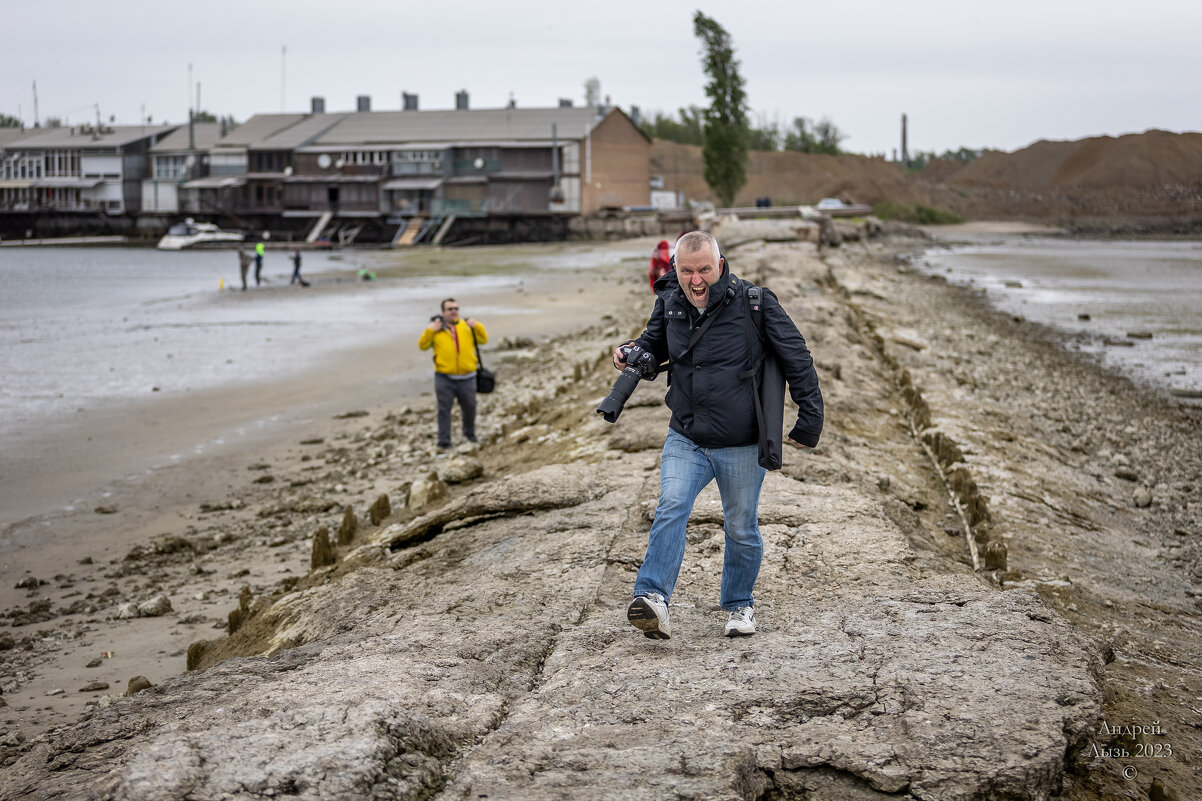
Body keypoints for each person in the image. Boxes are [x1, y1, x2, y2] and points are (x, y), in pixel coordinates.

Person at [612, 230, 823, 640]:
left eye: (704, 269)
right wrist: (630, 350)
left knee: (741, 526)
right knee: (671, 505)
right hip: (686, 435)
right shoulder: (670, 301)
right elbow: (653, 345)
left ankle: (739, 604)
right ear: (675, 268)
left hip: (741, 441)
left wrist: (809, 423)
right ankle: (653, 600)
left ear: (720, 265)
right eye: (687, 270)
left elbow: (798, 358)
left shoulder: (755, 303)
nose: (696, 280)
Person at [418, 298, 488, 450]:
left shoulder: (467, 326)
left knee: (470, 407)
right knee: (444, 410)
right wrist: (430, 330)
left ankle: (470, 434)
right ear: (443, 312)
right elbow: (422, 346)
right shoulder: (436, 329)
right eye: (450, 309)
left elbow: (484, 340)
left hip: (468, 376)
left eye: (456, 308)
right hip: (444, 377)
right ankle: (444, 440)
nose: (454, 311)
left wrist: (478, 326)